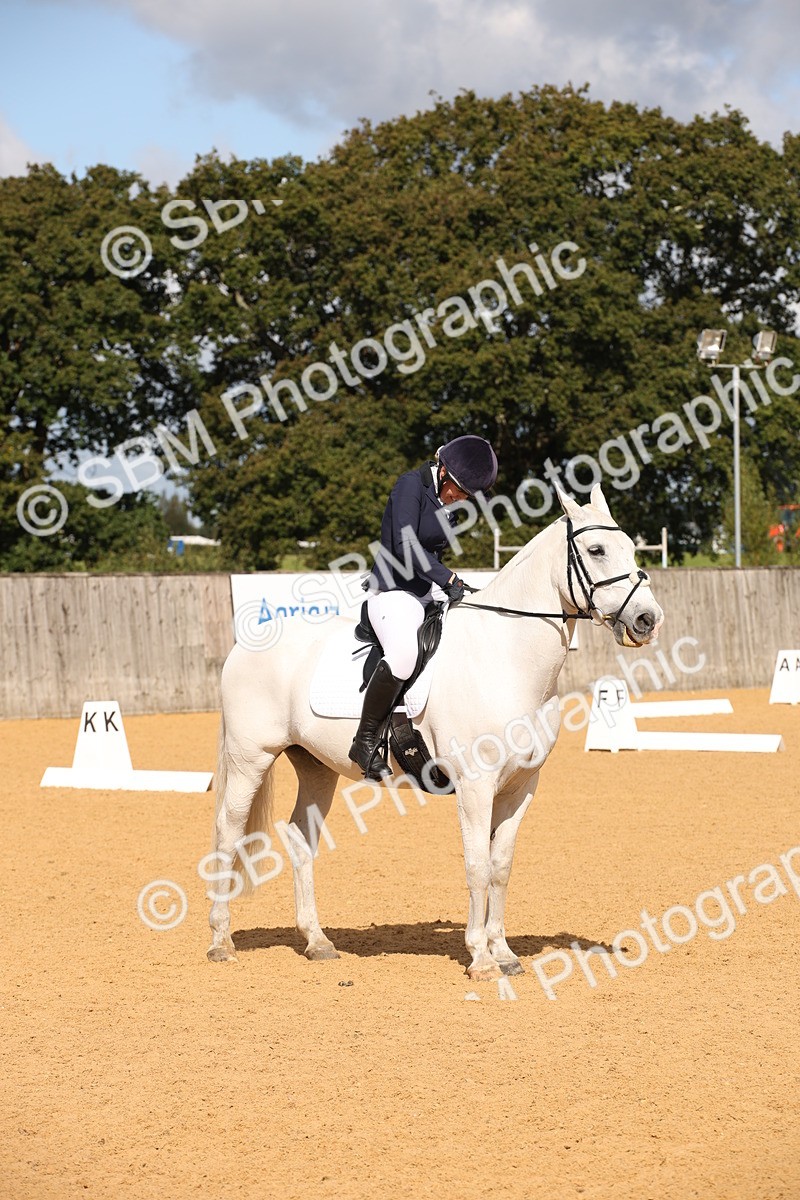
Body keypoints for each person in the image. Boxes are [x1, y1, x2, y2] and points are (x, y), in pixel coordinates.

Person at [348, 435, 498, 780]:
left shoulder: (449, 498)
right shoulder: (409, 486)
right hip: (391, 590)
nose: (461, 499)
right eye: (459, 491)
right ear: (443, 471)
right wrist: (447, 579)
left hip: (425, 591)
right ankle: (365, 739)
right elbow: (405, 545)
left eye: (467, 496)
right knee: (403, 654)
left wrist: (448, 586)